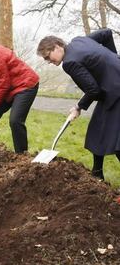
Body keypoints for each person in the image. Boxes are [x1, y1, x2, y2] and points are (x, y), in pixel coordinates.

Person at [37, 28, 120, 180]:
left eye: (48, 57)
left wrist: (78, 107)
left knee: (117, 141)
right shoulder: (79, 40)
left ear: (57, 47)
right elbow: (106, 33)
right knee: (98, 129)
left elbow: (93, 90)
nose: (49, 62)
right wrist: (115, 57)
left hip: (116, 92)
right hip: (111, 90)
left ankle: (97, 174)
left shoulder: (69, 62)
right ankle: (97, 173)